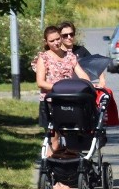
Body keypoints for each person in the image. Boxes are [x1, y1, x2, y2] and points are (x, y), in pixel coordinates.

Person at [34, 25, 92, 153]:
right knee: (53, 142)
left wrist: (89, 85)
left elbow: (82, 74)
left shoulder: (70, 56)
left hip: (70, 101)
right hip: (51, 103)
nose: (56, 43)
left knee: (74, 141)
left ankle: (73, 169)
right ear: (46, 42)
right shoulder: (43, 58)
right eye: (52, 41)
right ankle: (49, 169)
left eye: (57, 39)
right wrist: (59, 88)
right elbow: (40, 82)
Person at [59, 21, 107, 88]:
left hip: (81, 87)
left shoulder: (81, 50)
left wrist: (102, 81)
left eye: (71, 34)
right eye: (65, 35)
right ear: (60, 37)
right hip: (63, 87)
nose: (69, 37)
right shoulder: (57, 52)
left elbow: (95, 65)